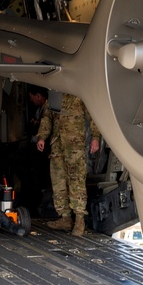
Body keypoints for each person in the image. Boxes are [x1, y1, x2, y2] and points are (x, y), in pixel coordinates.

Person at [36, 92, 100, 236]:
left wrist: (95, 138)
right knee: (58, 182)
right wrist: (42, 137)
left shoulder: (79, 93)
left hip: (74, 145)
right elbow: (47, 118)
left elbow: (93, 116)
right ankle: (65, 218)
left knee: (76, 180)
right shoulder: (54, 95)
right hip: (57, 145)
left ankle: (79, 220)